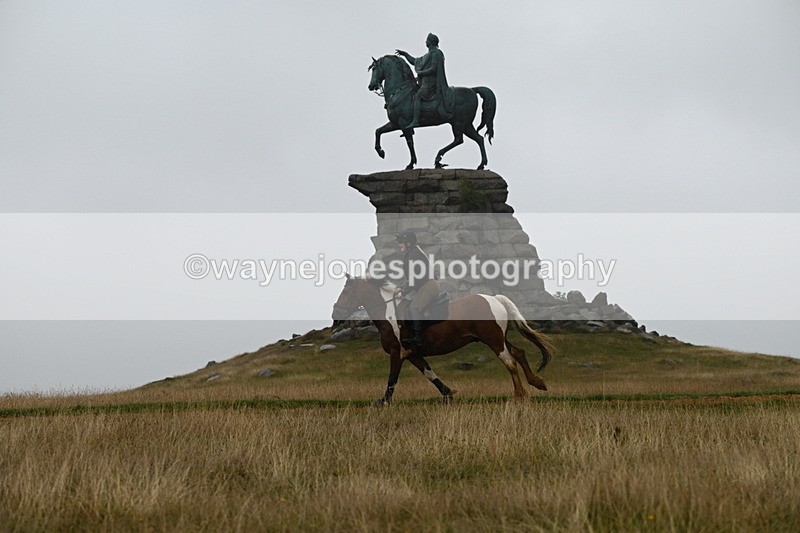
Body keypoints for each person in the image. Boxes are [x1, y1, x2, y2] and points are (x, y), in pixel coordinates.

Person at [395, 33, 455, 129]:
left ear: (431, 42)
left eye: (427, 40)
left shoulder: (436, 53)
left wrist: (421, 73)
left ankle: (415, 121)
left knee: (417, 97)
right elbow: (414, 61)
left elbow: (433, 69)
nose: (425, 42)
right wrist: (405, 54)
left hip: (431, 84)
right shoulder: (427, 55)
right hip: (425, 83)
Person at [394, 231, 440, 353]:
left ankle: (418, 339)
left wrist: (403, 290)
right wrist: (402, 287)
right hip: (424, 285)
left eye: (401, 243)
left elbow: (414, 277)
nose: (399, 245)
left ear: (408, 243)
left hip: (428, 285)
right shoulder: (412, 253)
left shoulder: (413, 254)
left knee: (414, 308)